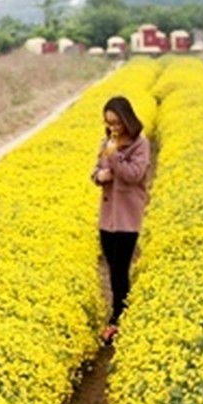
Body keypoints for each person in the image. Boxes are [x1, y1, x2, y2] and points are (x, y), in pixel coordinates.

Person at [92, 96, 151, 344]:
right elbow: (95, 170)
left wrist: (115, 157)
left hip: (127, 217)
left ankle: (118, 319)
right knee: (112, 267)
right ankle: (119, 315)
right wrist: (100, 175)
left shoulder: (140, 144)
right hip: (107, 218)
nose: (113, 128)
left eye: (116, 123)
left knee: (119, 270)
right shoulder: (107, 142)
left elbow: (134, 175)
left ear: (127, 119)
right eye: (109, 123)